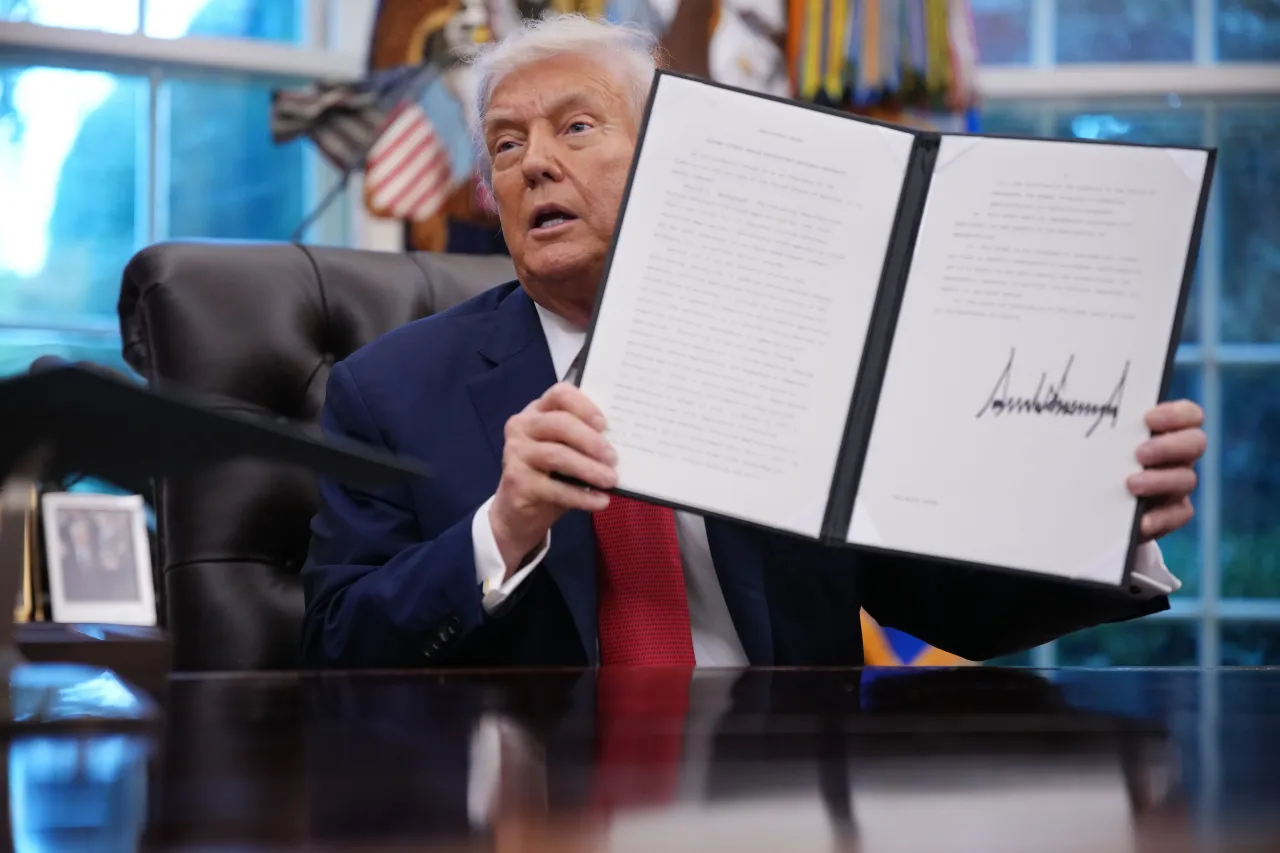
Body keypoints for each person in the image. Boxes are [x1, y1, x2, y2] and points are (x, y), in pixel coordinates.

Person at [300, 14, 1205, 670]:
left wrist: (1103, 524)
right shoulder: (388, 390)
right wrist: (504, 527)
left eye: (576, 126)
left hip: (787, 784)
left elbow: (946, 603)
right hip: (537, 810)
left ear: (670, 155)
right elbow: (335, 647)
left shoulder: (803, 348)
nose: (534, 162)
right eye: (505, 146)